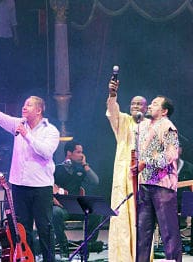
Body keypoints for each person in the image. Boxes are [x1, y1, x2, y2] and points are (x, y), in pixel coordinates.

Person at [0, 79, 60, 261]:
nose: (24, 108)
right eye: (24, 105)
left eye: (28, 105)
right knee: (22, 231)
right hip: (19, 186)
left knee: (45, 228)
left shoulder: (50, 131)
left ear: (39, 110)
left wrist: (27, 136)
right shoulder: (17, 124)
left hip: (41, 187)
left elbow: (45, 152)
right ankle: (29, 259)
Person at [132, 95, 182, 262]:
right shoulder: (143, 125)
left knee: (168, 232)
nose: (151, 106)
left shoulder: (168, 126)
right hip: (145, 184)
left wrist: (146, 163)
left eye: (155, 104)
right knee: (142, 231)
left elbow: (171, 154)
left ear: (164, 111)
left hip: (162, 185)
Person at [106, 79, 149, 261]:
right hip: (123, 177)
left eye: (140, 104)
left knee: (141, 219)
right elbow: (112, 112)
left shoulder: (150, 125)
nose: (136, 106)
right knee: (122, 217)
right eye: (133, 103)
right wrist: (113, 94)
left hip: (142, 177)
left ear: (146, 109)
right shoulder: (123, 121)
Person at [52, 140, 100, 258]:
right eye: (78, 152)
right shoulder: (56, 168)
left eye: (82, 152)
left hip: (76, 206)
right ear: (69, 153)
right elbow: (48, 188)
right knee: (55, 213)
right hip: (61, 207)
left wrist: (84, 164)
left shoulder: (80, 169)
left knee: (96, 210)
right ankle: (63, 246)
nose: (81, 155)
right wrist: (54, 198)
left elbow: (95, 181)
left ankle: (87, 245)